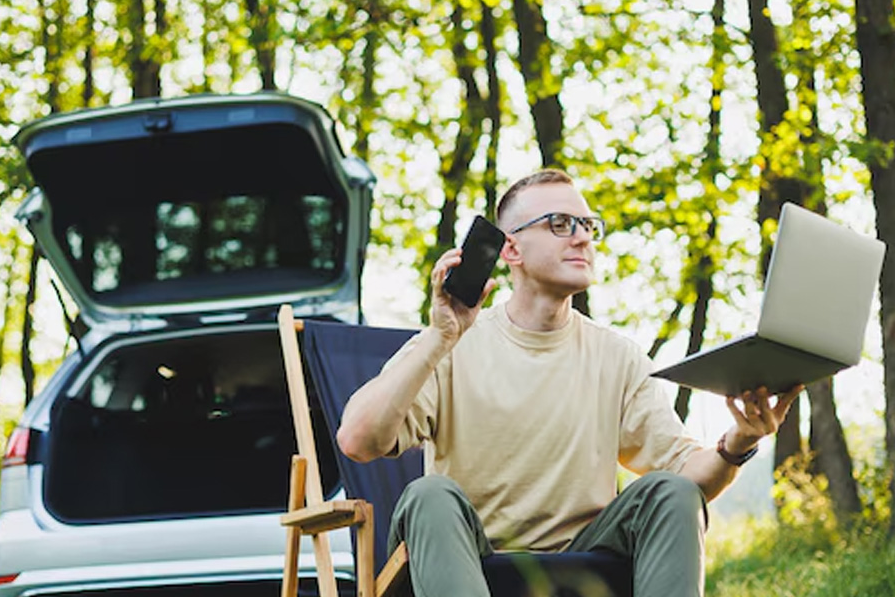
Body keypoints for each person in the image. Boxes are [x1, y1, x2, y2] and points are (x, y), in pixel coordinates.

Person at [336, 169, 802, 597]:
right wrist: (439, 336)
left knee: (673, 492)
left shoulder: (616, 355)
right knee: (428, 494)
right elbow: (357, 440)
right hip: (471, 558)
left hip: (585, 557)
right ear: (511, 250)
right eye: (560, 223)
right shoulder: (451, 345)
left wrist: (738, 442)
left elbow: (687, 477)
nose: (582, 238)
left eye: (587, 225)